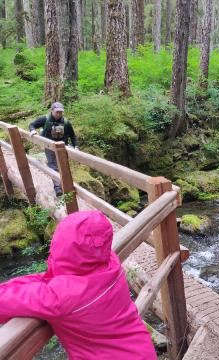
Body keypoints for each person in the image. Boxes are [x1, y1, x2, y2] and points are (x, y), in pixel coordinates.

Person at [0, 211, 157, 360]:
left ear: (58, 245)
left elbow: (5, 301)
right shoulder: (111, 263)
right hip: (142, 350)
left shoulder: (61, 297)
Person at [28, 102, 77, 197]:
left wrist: (76, 146)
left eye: (60, 112)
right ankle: (58, 188)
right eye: (57, 112)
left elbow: (72, 135)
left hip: (63, 147)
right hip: (49, 146)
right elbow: (32, 125)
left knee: (64, 166)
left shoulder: (66, 122)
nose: (59, 114)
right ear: (52, 111)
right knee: (53, 165)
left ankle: (67, 186)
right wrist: (33, 131)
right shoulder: (44, 119)